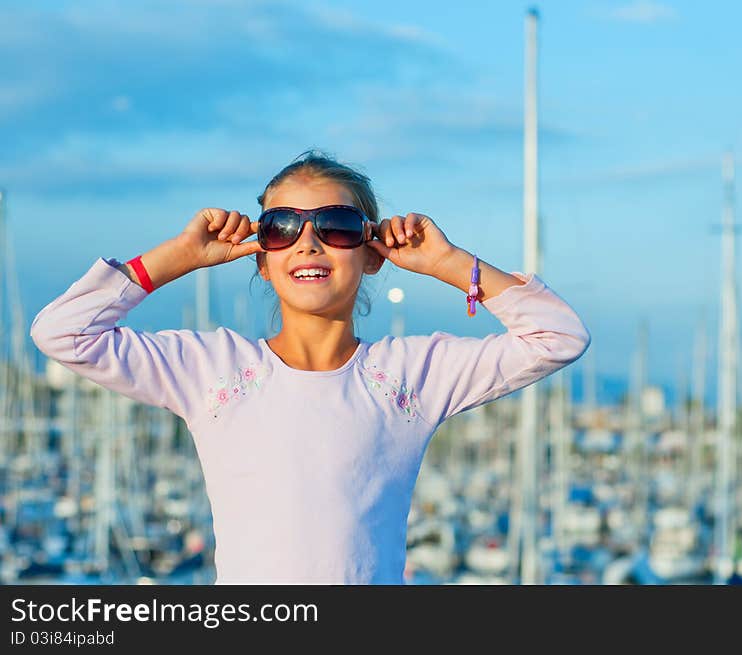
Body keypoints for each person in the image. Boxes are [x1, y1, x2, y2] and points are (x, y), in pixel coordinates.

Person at [30, 149, 591, 584]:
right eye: (281, 226)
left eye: (338, 226)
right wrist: (180, 255)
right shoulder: (210, 370)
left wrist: (448, 263)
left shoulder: (412, 375)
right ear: (263, 257)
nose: (308, 242)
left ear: (372, 254)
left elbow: (558, 337)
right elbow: (62, 332)